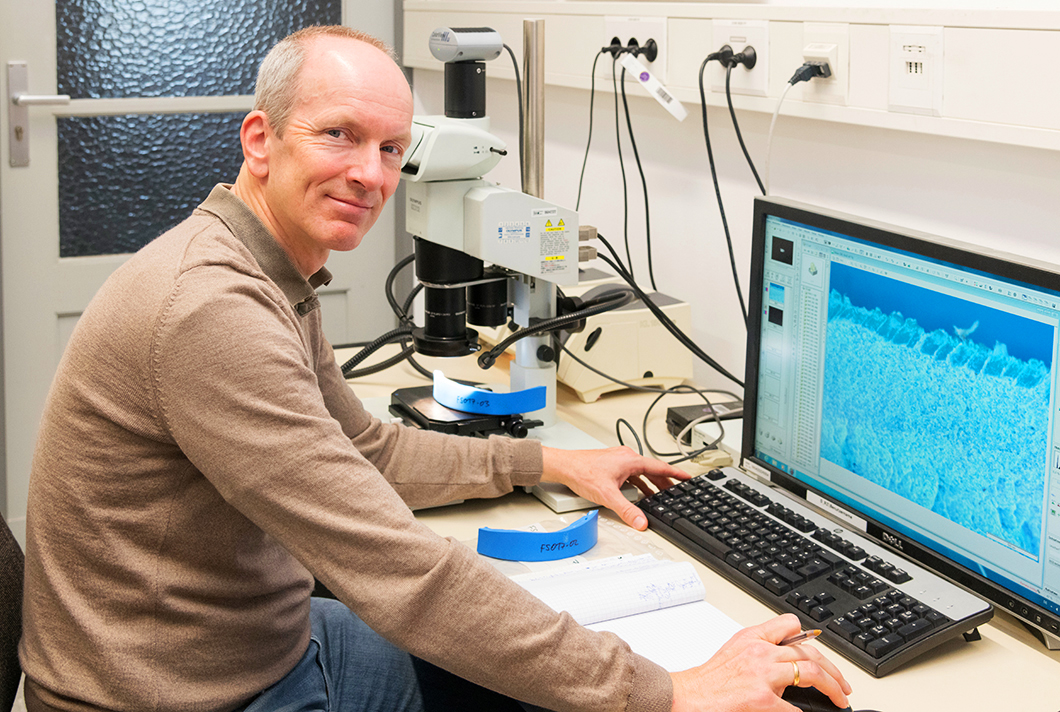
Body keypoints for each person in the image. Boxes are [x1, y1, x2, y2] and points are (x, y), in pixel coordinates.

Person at [19, 25, 851, 712]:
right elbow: (401, 573)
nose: (371, 174)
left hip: (245, 642)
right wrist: (673, 691)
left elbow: (368, 454)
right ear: (261, 140)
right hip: (179, 693)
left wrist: (547, 461)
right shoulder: (213, 312)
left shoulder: (265, 270)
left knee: (527, 666)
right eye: (339, 135)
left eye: (390, 148)